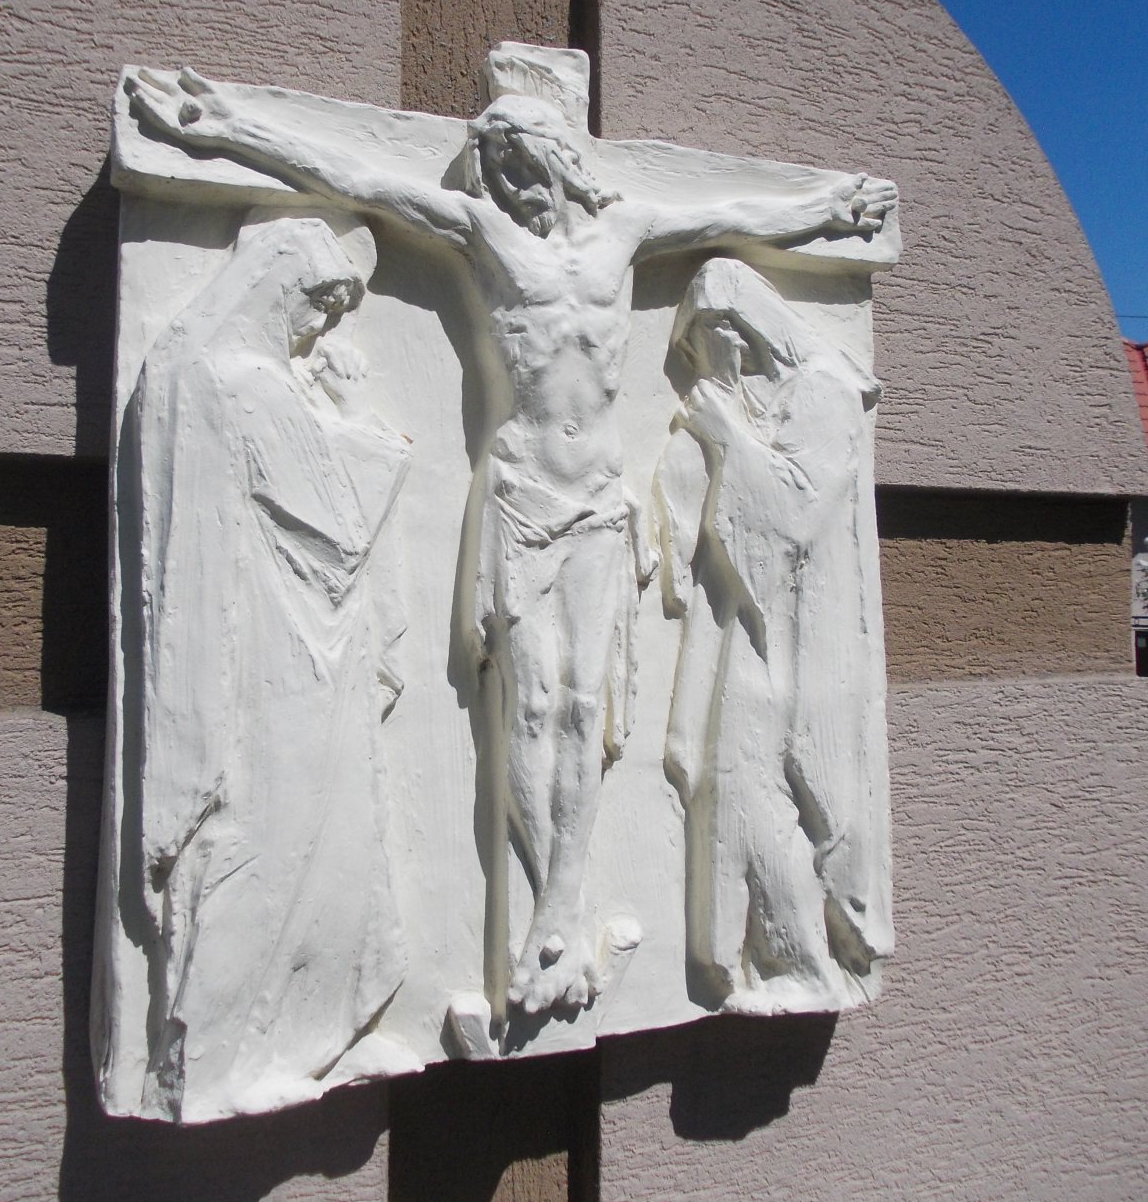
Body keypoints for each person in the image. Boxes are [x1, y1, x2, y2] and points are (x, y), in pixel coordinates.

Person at [125, 65, 897, 1017]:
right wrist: (226, 124)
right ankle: (547, 912)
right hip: (524, 495)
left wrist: (829, 211)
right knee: (528, 707)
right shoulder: (484, 235)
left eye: (523, 170)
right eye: (496, 175)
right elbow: (360, 178)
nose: (512, 191)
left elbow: (734, 214)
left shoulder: (624, 233)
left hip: (599, 503)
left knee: (585, 707)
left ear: (562, 163)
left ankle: (562, 910)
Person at [114, 214, 415, 1119]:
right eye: (316, 308)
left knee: (317, 851)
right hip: (281, 665)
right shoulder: (244, 382)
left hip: (293, 654)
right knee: (272, 851)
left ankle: (304, 1030)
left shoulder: (196, 367)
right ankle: (213, 1061)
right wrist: (362, 430)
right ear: (279, 289)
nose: (318, 330)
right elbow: (339, 527)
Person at [654, 259, 891, 1011]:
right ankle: (755, 955)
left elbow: (793, 516)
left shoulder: (821, 393)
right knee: (729, 782)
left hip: (804, 642)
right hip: (753, 633)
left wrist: (725, 432)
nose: (707, 361)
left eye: (710, 339)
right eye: (693, 348)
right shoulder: (763, 401)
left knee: (764, 791)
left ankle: (803, 961)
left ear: (746, 328)